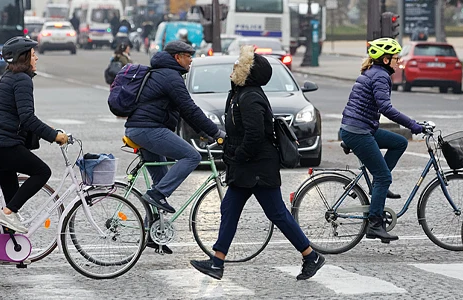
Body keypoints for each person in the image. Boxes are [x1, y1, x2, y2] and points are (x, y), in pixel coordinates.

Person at [190, 46, 324, 281]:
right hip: (246, 167)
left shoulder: (250, 96)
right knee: (229, 210)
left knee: (278, 214)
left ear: (247, 72)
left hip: (258, 167)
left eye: (239, 65)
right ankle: (217, 262)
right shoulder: (239, 93)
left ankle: (310, 255)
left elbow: (254, 135)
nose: (234, 67)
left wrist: (237, 156)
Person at [126, 40, 225, 249]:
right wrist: (216, 133)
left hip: (142, 129)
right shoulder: (170, 76)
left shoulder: (165, 74)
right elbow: (190, 109)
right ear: (177, 58)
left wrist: (202, 133)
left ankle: (152, 233)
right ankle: (157, 195)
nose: (191, 60)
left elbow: (182, 111)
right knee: (192, 157)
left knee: (161, 180)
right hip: (148, 130)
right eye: (188, 56)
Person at [0, 37, 69, 233]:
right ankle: (7, 213)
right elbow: (27, 119)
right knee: (42, 172)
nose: (37, 59)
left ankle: (9, 249)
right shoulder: (22, 80)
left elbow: (20, 115)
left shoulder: (9, 77)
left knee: (12, 202)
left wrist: (47, 128)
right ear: (24, 57)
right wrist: (54, 136)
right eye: (34, 55)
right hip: (1, 145)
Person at [339, 38, 424, 243]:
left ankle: (378, 185)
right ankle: (375, 224)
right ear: (385, 59)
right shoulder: (380, 76)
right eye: (396, 58)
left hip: (358, 128)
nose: (399, 61)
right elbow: (385, 108)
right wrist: (412, 124)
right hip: (358, 132)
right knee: (384, 176)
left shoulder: (374, 73)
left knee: (399, 143)